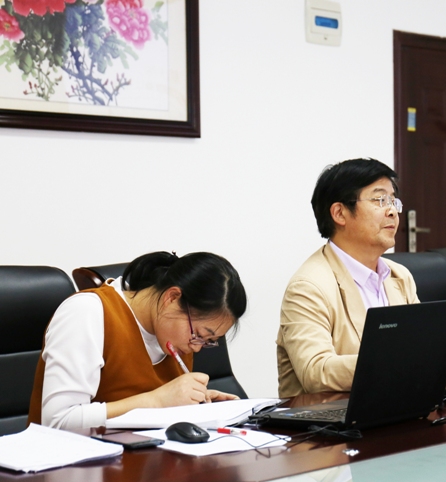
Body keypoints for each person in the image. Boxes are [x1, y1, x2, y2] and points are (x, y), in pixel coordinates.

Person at [28, 251, 247, 431]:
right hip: (70, 465)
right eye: (198, 334)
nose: (196, 347)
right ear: (172, 298)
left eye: (209, 341)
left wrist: (194, 405)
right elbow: (58, 421)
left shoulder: (174, 333)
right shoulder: (87, 312)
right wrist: (157, 401)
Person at [276, 158, 420, 397]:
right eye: (380, 200)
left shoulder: (399, 276)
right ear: (339, 213)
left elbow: (421, 348)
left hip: (397, 405)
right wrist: (391, 362)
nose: (392, 211)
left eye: (393, 201)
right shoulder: (308, 287)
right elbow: (315, 372)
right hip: (333, 417)